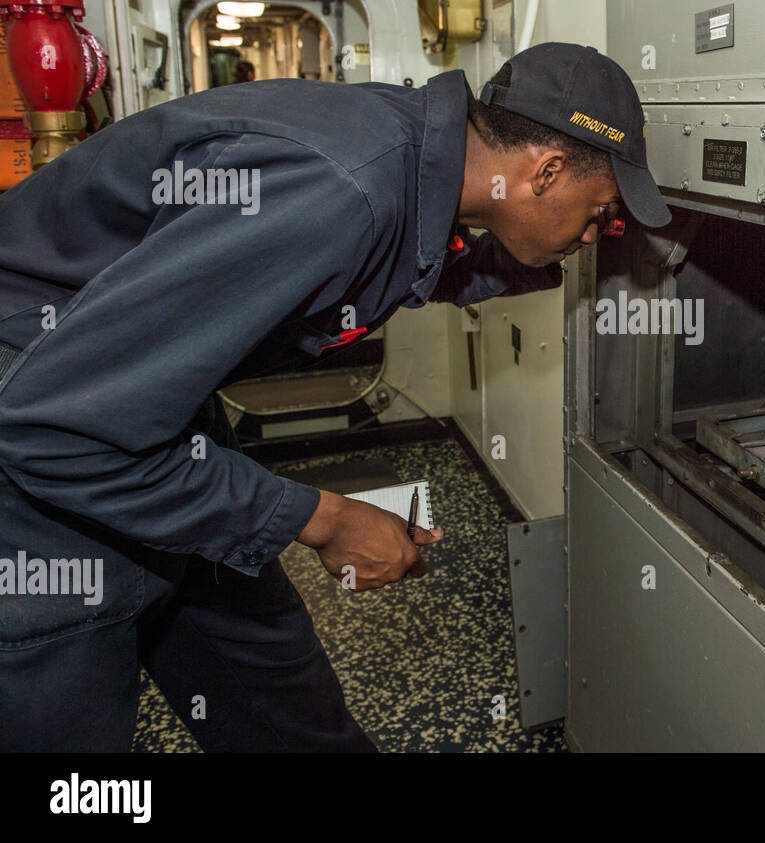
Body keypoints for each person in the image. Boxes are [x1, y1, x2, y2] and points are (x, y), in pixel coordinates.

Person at [0, 42, 670, 751]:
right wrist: (321, 518)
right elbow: (55, 429)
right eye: (598, 212)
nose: (598, 231)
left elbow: (401, 266)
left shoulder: (411, 157)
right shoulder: (339, 187)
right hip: (49, 417)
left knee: (278, 693)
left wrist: (539, 263)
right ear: (547, 171)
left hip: (142, 404)